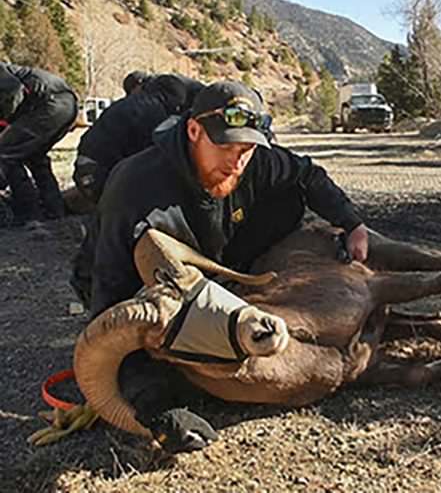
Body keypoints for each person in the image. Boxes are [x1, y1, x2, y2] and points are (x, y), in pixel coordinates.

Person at [73, 80, 369, 452]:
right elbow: (111, 310)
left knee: (286, 198)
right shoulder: (135, 188)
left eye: (246, 148)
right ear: (193, 129)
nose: (237, 158)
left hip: (213, 260)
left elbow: (307, 174)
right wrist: (156, 409)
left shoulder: (252, 161)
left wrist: (351, 222)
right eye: (226, 145)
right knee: (169, 353)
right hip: (136, 276)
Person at [73, 74, 201, 203]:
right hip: (98, 177)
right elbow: (159, 160)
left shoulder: (132, 103)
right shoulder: (153, 113)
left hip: (86, 169)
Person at [0, 62, 78, 225]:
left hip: (48, 103)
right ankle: (55, 210)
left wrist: (7, 122)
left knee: (6, 155)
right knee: (36, 158)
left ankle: (28, 213)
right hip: (63, 103)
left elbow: (14, 93)